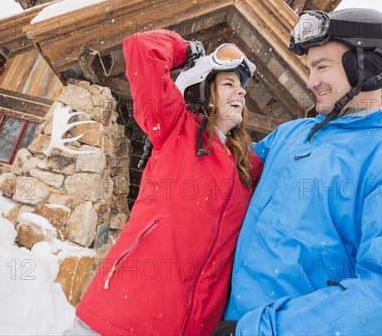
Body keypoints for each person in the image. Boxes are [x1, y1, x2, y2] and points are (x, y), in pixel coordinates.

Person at [216, 8, 382, 335]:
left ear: (366, 66)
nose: (311, 82)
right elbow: (224, 174)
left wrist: (258, 331)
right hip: (221, 321)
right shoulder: (291, 134)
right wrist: (186, 130)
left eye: (321, 66)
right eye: (309, 68)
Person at [66, 29, 263, 336]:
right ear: (204, 91)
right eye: (229, 83)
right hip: (118, 318)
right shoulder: (176, 127)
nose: (242, 92)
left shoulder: (249, 166)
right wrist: (188, 50)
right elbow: (142, 48)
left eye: (242, 87)